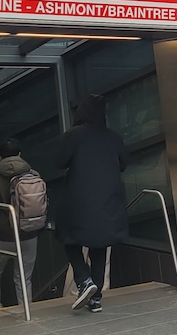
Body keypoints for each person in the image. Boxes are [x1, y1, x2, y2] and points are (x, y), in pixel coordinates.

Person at [55, 94, 128, 313]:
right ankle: (95, 299)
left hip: (79, 200)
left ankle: (84, 280)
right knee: (100, 247)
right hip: (108, 201)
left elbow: (59, 162)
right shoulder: (113, 137)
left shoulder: (74, 135)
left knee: (69, 240)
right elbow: (124, 164)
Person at [0, 138, 39, 309]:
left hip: (2, 236)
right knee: (24, 277)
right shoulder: (33, 174)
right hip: (29, 234)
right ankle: (27, 310)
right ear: (19, 154)